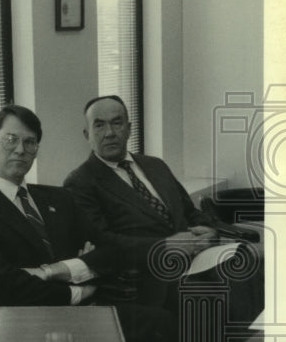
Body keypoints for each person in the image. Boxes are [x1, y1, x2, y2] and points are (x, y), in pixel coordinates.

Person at [0, 105, 178, 342]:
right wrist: (80, 289)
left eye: (30, 143)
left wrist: (59, 269)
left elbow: (112, 250)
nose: (20, 150)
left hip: (85, 312)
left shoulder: (58, 198)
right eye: (10, 140)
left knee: (166, 317)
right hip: (32, 327)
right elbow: (6, 288)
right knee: (155, 327)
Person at [63, 95, 263, 325]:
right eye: (99, 125)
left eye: (117, 123)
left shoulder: (155, 165)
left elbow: (190, 212)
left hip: (199, 259)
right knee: (216, 297)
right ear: (87, 135)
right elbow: (104, 243)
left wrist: (210, 230)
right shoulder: (80, 182)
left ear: (128, 129)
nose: (109, 132)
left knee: (252, 270)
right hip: (150, 277)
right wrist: (166, 246)